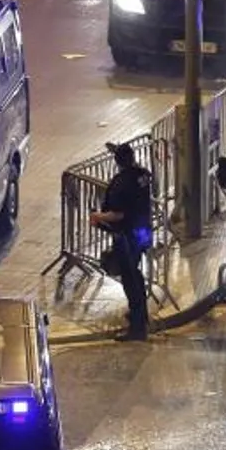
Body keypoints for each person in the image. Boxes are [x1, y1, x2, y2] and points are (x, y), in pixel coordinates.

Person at [91, 140, 155, 341]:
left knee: (130, 278)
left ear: (118, 162)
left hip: (127, 235)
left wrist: (98, 217)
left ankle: (137, 328)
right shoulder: (143, 175)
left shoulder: (121, 183)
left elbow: (118, 215)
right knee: (136, 274)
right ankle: (141, 315)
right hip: (143, 231)